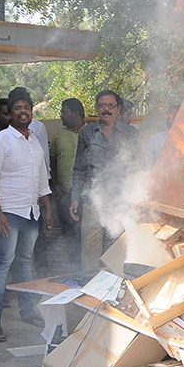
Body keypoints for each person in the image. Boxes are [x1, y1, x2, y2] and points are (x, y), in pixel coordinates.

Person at [0, 90, 53, 342]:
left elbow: (42, 178)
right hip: (7, 212)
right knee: (2, 264)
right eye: (18, 108)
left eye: (27, 108)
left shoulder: (33, 140)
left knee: (24, 261)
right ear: (10, 114)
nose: (24, 112)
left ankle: (27, 311)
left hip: (30, 211)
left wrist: (48, 209)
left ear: (32, 112)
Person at [71, 90, 140, 273]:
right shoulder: (86, 133)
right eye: (102, 105)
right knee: (90, 249)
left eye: (111, 106)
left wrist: (138, 198)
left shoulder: (130, 133)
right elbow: (79, 169)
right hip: (94, 200)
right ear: (96, 108)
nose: (106, 109)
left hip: (122, 199)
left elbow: (138, 168)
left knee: (118, 249)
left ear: (118, 109)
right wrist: (75, 197)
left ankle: (113, 291)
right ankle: (89, 289)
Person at [51, 97, 85, 267]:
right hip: (64, 195)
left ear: (75, 113)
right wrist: (55, 185)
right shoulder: (58, 136)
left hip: (85, 195)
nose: (61, 116)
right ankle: (73, 270)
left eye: (64, 112)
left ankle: (86, 271)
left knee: (86, 234)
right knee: (69, 234)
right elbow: (52, 163)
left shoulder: (89, 134)